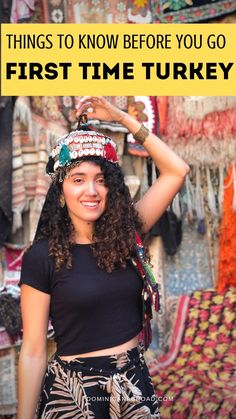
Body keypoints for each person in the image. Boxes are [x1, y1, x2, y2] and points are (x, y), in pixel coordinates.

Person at [17, 96, 189, 419]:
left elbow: (177, 171)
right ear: (61, 191)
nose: (91, 191)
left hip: (133, 387)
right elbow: (34, 350)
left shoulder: (127, 236)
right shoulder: (42, 257)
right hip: (74, 395)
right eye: (78, 180)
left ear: (112, 188)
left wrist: (123, 118)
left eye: (100, 180)